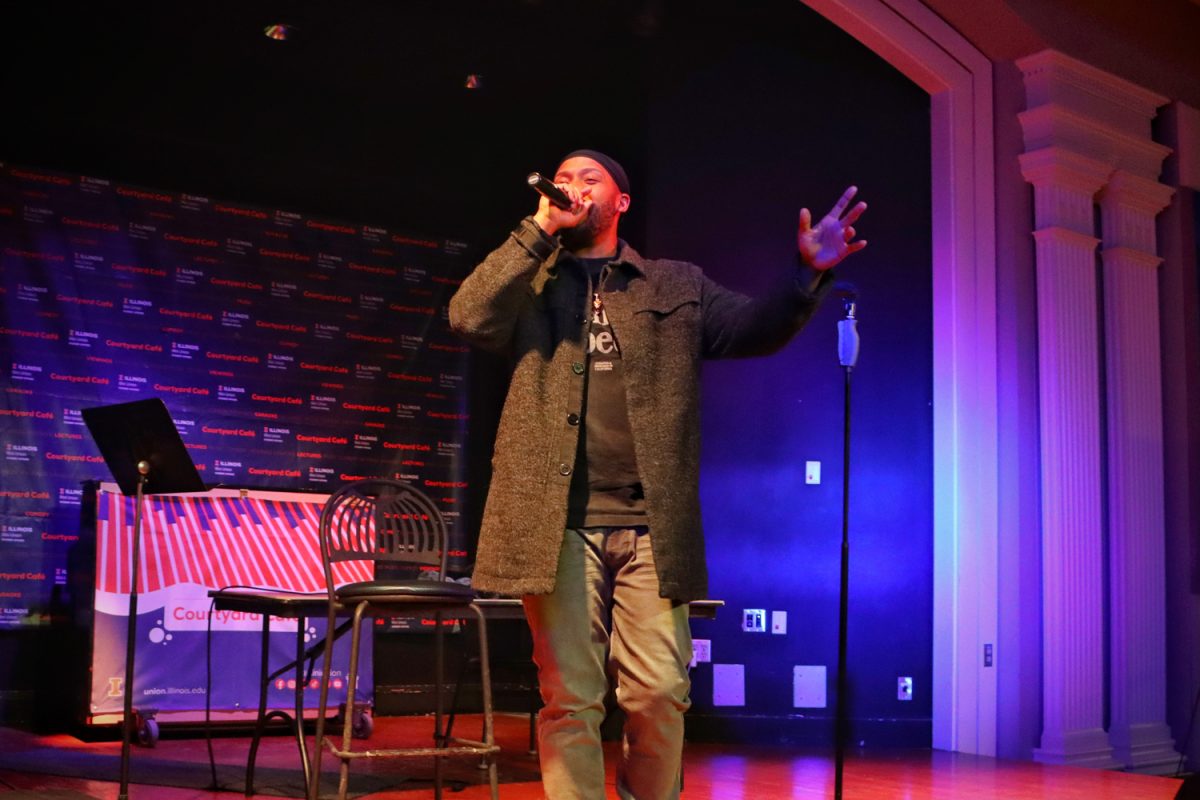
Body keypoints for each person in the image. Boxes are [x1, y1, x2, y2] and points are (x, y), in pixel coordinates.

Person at [448, 149, 866, 800]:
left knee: (660, 692)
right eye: (564, 177)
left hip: (651, 524)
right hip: (555, 523)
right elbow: (468, 315)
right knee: (569, 697)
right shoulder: (531, 279)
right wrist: (539, 229)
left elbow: (752, 329)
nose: (572, 186)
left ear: (621, 202)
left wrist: (805, 274)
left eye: (590, 178)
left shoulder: (674, 284)